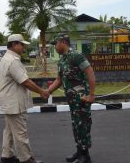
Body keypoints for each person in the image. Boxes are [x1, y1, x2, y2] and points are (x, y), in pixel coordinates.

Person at [0, 34, 49, 163]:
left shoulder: (6, 58)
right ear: (14, 44)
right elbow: (25, 81)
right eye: (22, 44)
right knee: (20, 132)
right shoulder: (13, 61)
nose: (24, 47)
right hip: (14, 102)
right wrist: (41, 91)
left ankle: (7, 155)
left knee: (9, 130)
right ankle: (26, 159)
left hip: (9, 100)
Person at [48, 34, 95, 163]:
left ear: (62, 42)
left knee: (83, 125)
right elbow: (59, 79)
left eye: (55, 43)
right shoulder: (62, 60)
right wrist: (48, 91)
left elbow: (90, 72)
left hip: (82, 98)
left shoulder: (76, 56)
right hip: (72, 100)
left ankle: (85, 156)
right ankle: (79, 151)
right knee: (76, 125)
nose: (55, 46)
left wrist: (91, 94)